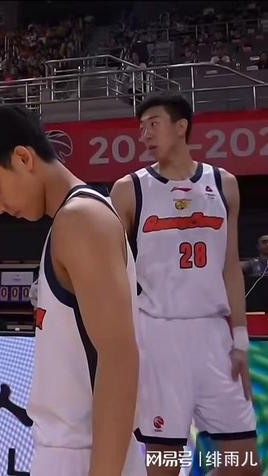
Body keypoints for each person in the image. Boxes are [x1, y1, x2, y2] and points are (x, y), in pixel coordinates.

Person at [0, 105, 144, 476]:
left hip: (85, 454)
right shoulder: (73, 219)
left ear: (23, 159)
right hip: (74, 448)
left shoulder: (80, 219)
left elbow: (119, 359)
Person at [110, 93, 259, 476]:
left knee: (244, 463)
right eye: (141, 127)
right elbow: (112, 273)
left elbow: (230, 267)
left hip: (214, 337)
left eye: (153, 124)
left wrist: (240, 341)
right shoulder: (129, 189)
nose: (145, 134)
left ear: (181, 127)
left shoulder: (224, 184)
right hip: (158, 337)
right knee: (165, 466)